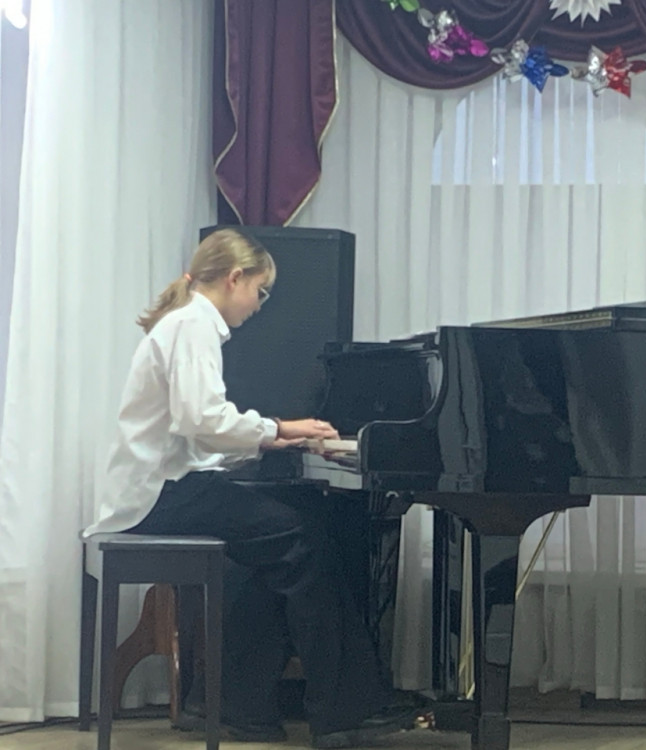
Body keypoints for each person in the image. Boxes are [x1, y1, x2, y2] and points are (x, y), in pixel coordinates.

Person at [84, 228, 413, 748]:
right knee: (303, 539)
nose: (259, 305)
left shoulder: (186, 322)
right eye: (260, 291)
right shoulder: (193, 324)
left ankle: (241, 706)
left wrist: (280, 440)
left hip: (161, 487)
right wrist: (280, 428)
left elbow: (197, 436)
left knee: (278, 547)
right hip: (158, 496)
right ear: (234, 277)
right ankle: (344, 712)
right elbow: (203, 419)